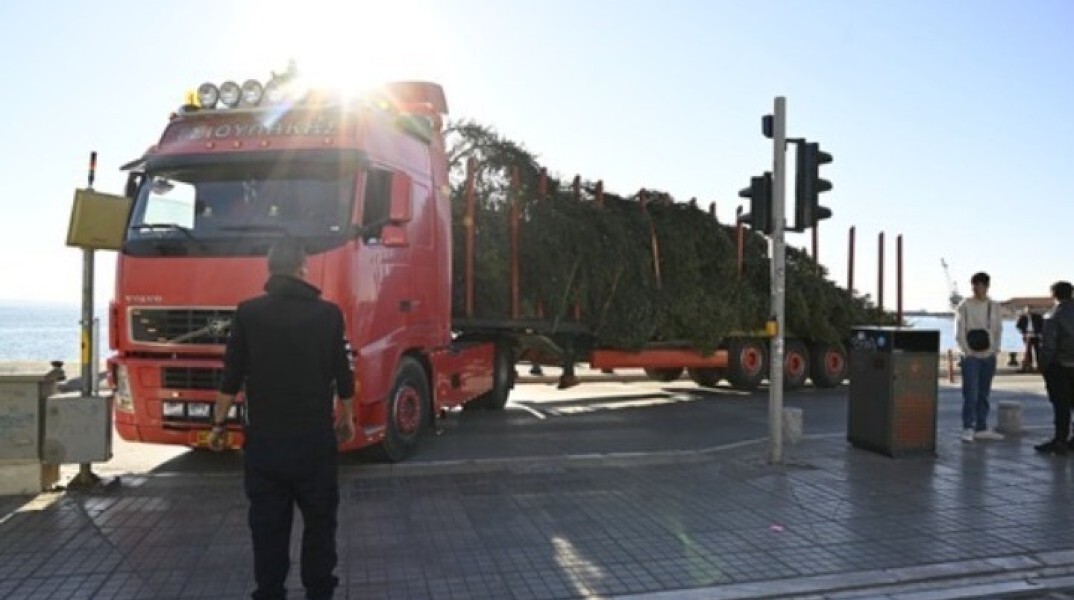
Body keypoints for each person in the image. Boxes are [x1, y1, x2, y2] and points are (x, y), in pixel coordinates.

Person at [209, 239, 356, 600]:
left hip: (265, 444)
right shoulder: (328, 314)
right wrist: (347, 417)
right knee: (320, 524)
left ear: (270, 269)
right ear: (302, 267)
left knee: (267, 529)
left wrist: (218, 425)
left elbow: (231, 375)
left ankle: (270, 591)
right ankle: (319, 592)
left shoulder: (248, 313)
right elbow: (343, 373)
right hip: (314, 442)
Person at [954, 272, 1004, 443]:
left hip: (989, 355)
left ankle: (981, 427)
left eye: (980, 285)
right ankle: (968, 427)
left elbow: (998, 330)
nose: (976, 289)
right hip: (971, 356)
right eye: (974, 285)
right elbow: (959, 329)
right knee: (970, 393)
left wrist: (995, 350)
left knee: (984, 392)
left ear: (987, 286)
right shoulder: (965, 305)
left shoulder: (994, 306)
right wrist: (966, 351)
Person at [1034, 281, 1074, 456]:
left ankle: (1060, 440)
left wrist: (1042, 365)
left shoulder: (1053, 316)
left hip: (1060, 366)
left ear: (1054, 294)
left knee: (1061, 405)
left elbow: (1048, 346)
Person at [1016, 306, 1045, 372]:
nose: (1028, 312)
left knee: (1037, 350)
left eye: (1029, 310)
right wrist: (1023, 332)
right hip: (1027, 336)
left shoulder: (1037, 317)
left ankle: (1039, 365)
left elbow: (1042, 325)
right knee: (1028, 351)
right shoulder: (1022, 317)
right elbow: (1018, 326)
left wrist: (1039, 333)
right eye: (1026, 311)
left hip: (1036, 335)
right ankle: (1029, 365)